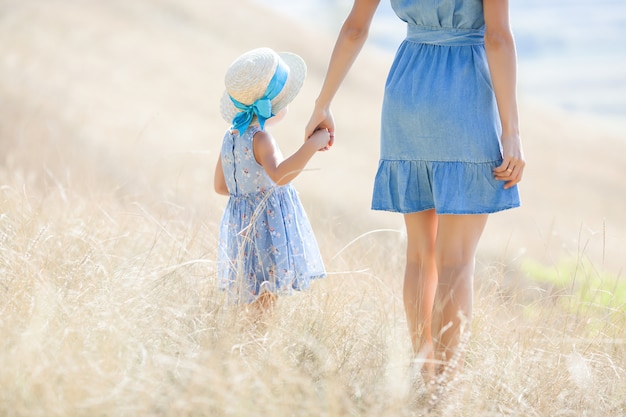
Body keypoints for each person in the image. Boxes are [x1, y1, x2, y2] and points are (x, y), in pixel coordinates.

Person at [305, 0, 525, 377]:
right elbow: (498, 37)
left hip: (407, 90)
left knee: (420, 256)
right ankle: (442, 388)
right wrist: (511, 132)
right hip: (464, 96)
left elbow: (355, 27)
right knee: (456, 261)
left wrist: (322, 103)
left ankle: (424, 374)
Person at [215, 47, 330, 318]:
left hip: (241, 227)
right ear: (273, 105)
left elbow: (220, 187)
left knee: (252, 298)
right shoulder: (260, 138)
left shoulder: (230, 136)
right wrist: (313, 144)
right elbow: (281, 175)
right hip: (267, 228)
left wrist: (246, 189)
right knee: (266, 301)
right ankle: (257, 350)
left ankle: (246, 345)